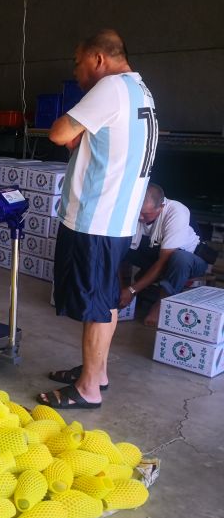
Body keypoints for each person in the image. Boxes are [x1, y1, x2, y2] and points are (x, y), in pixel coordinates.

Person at [39, 29, 158, 409]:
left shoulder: (109, 90)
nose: (76, 71)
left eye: (78, 61)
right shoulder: (141, 91)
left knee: (93, 305)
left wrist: (73, 129)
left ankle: (87, 389)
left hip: (95, 218)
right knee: (104, 300)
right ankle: (97, 373)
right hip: (117, 220)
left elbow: (59, 133)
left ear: (98, 59)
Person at [119, 183, 211, 326]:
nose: (141, 218)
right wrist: (123, 287)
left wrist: (132, 290)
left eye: (146, 214)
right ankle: (118, 290)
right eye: (138, 212)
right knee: (119, 246)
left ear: (161, 207)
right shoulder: (134, 213)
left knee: (180, 258)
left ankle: (162, 302)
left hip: (190, 260)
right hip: (157, 254)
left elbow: (164, 261)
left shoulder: (177, 212)